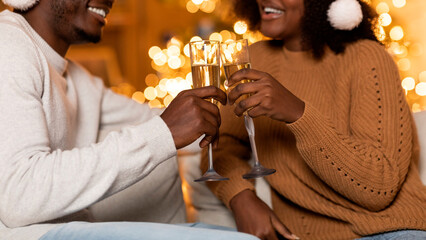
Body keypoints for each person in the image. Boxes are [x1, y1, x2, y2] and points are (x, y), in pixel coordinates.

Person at [0, 0, 261, 240]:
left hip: (76, 228)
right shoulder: (8, 46)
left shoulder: (81, 82)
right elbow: (18, 195)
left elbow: (177, 126)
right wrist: (164, 133)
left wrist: (260, 131)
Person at [201, 0, 426, 239]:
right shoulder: (254, 59)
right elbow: (219, 145)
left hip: (392, 230)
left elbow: (378, 188)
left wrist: (297, 113)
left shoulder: (367, 57)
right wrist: (242, 198)